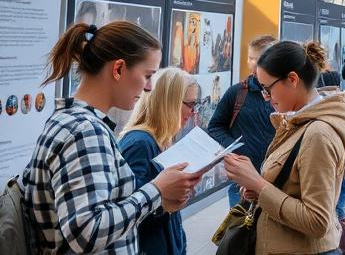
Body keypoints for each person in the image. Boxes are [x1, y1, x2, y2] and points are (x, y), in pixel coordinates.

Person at [22, 22, 199, 254]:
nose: (148, 88)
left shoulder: (75, 122)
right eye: (147, 75)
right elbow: (87, 232)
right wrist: (157, 190)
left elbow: (106, 210)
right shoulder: (84, 131)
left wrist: (160, 202)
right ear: (118, 69)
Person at [223, 40, 345, 255]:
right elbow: (292, 189)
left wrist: (258, 183)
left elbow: (317, 221)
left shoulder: (317, 133)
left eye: (267, 88)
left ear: (292, 79)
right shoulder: (298, 123)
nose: (266, 98)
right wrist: (257, 189)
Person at [118, 68, 199, 255]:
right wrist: (166, 204)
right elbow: (126, 213)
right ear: (170, 103)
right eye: (190, 104)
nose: (193, 112)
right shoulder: (139, 143)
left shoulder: (159, 139)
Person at [208, 33, 277, 207]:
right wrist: (235, 148)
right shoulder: (237, 92)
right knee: (239, 230)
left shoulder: (283, 93)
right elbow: (215, 126)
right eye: (250, 58)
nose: (253, 64)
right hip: (242, 181)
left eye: (259, 59)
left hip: (275, 180)